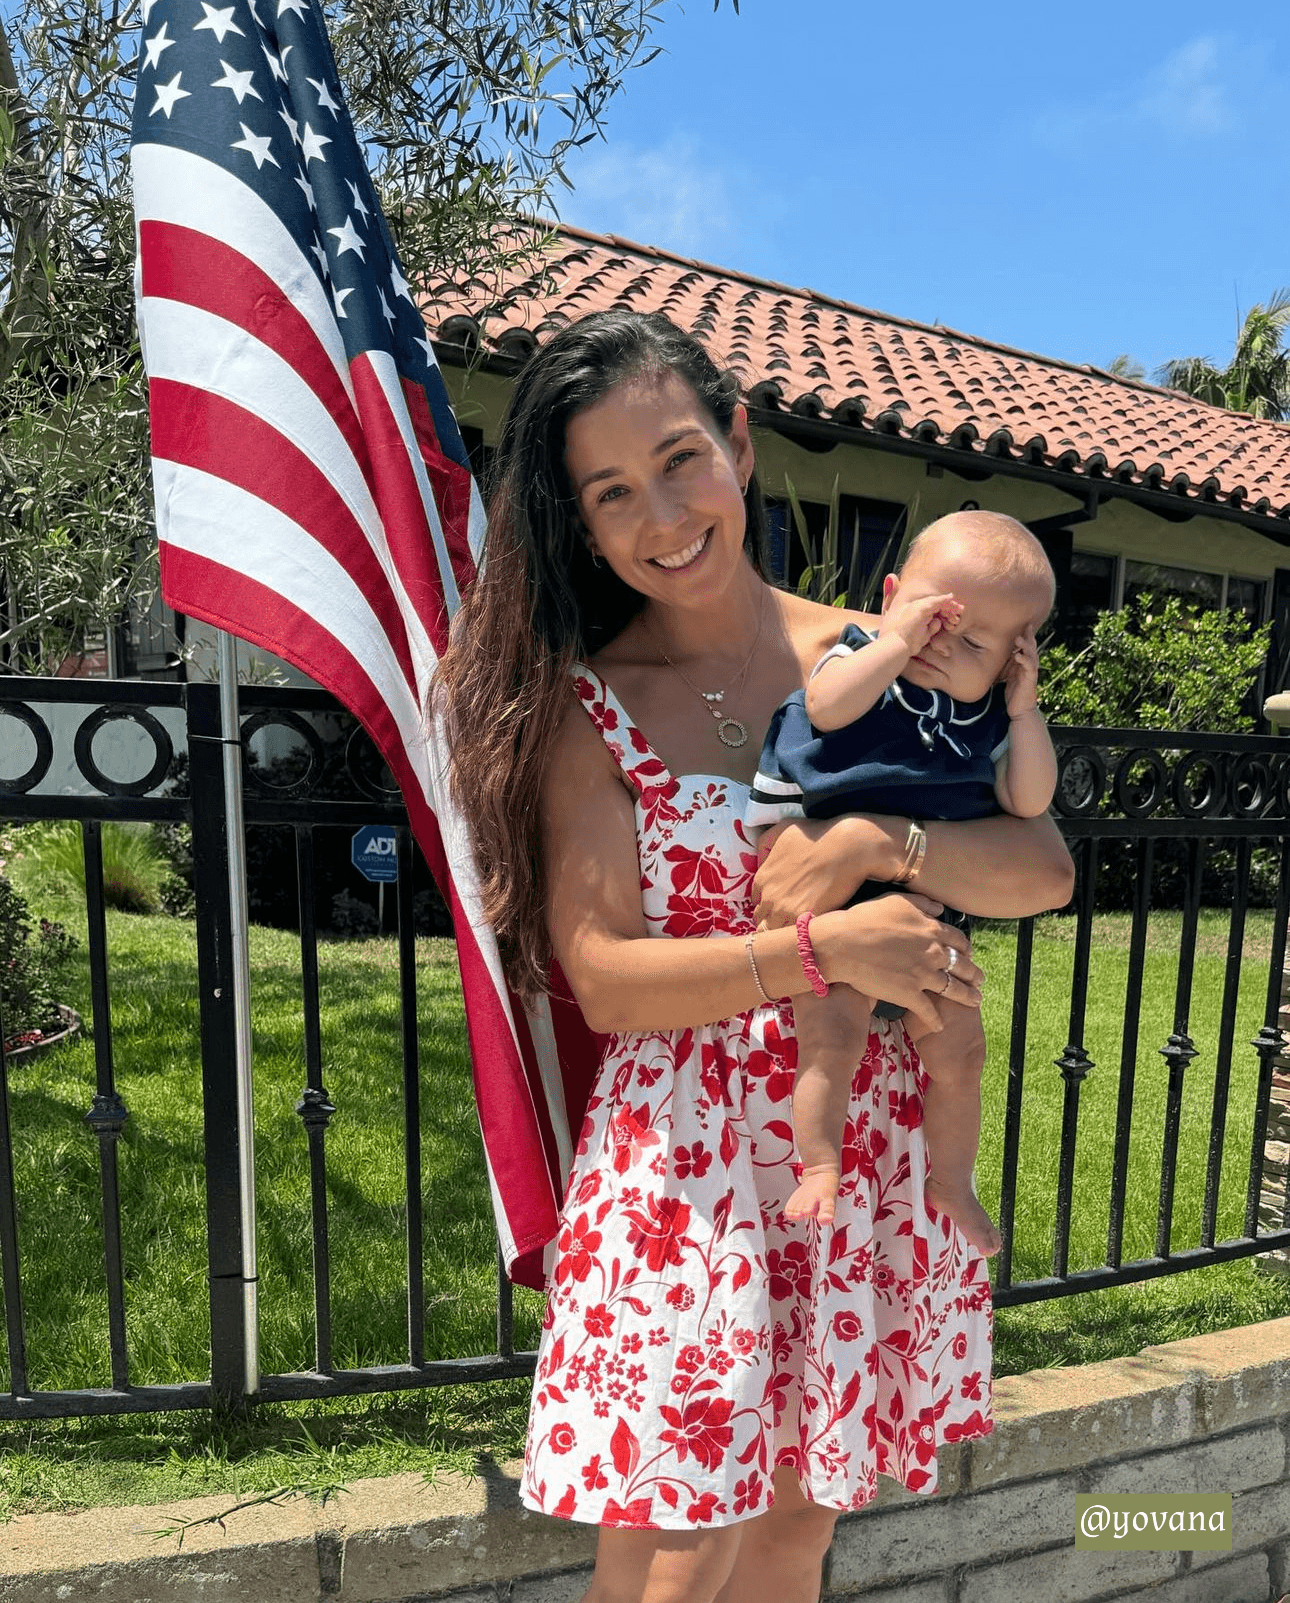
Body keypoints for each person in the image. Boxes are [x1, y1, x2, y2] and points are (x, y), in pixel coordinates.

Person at [436, 309, 1074, 1603]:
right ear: (579, 516)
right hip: (685, 1160)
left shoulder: (877, 645)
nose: (659, 513)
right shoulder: (584, 703)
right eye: (610, 489)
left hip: (855, 1153)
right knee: (674, 1550)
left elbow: (1039, 868)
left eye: (679, 458)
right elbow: (604, 973)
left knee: (795, 1528)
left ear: (735, 439)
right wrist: (813, 945)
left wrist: (874, 842)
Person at [745, 512, 1058, 1254]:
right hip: (833, 907)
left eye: (974, 643)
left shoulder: (988, 717)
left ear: (1011, 663)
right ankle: (819, 1164)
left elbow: (1030, 802)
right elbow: (827, 709)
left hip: (927, 929)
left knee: (963, 1052)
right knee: (833, 1035)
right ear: (891, 596)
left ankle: (951, 1179)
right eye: (933, 617)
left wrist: (1024, 709)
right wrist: (892, 642)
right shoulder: (854, 660)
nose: (941, 644)